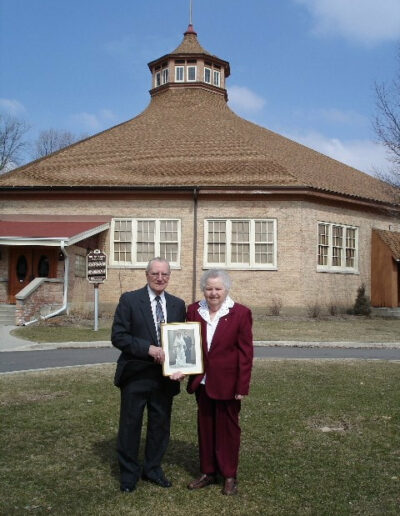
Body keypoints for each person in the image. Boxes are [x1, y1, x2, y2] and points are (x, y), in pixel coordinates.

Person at [111, 257, 186, 493]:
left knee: (160, 425)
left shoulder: (177, 304)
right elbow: (119, 336)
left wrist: (181, 365)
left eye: (164, 274)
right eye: (155, 273)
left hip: (165, 378)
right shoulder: (130, 300)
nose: (160, 278)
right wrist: (148, 349)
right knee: (130, 425)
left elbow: (181, 340)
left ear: (169, 276)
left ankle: (153, 469)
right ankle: (129, 475)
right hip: (136, 373)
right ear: (147, 275)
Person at [186, 269, 253, 496]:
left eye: (218, 289)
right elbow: (188, 344)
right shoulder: (194, 311)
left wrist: (242, 387)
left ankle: (229, 475)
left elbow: (246, 353)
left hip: (228, 384)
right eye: (209, 288)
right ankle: (207, 471)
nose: (213, 293)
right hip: (202, 382)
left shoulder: (241, 313)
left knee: (228, 431)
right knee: (205, 429)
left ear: (226, 289)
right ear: (203, 289)